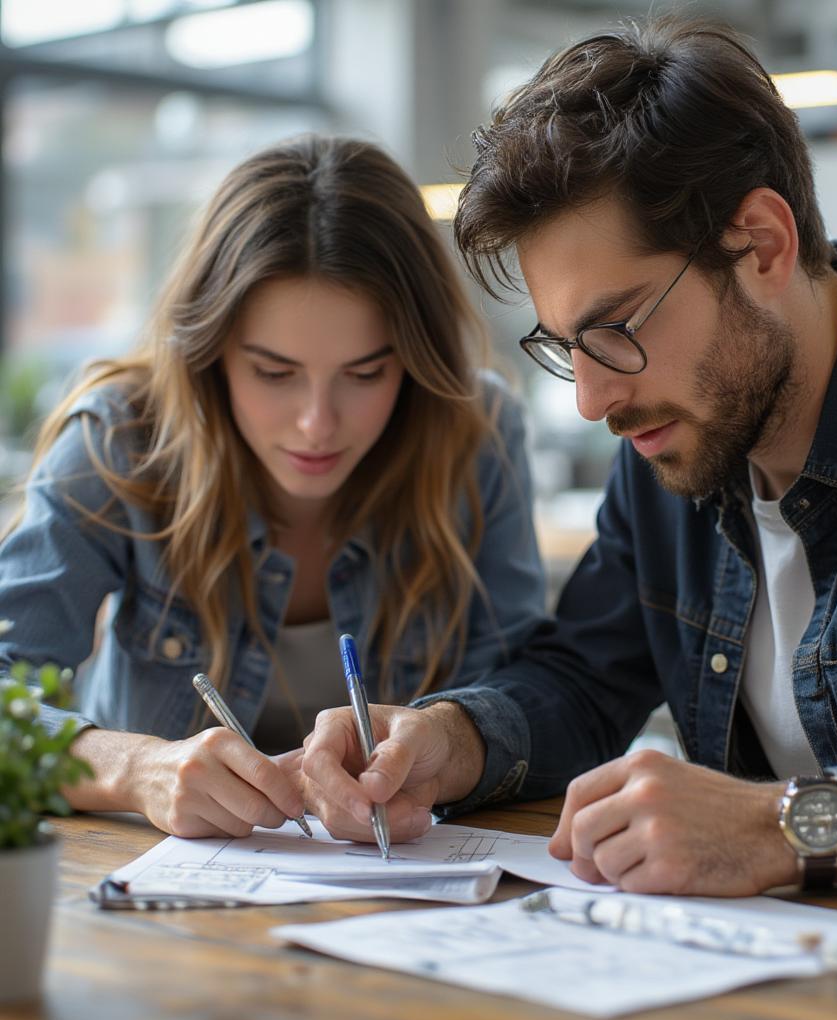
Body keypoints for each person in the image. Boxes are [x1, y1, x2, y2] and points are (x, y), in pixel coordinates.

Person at [297, 18, 837, 897]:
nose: (592, 401)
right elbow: (585, 679)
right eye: (568, 345)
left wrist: (777, 826)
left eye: (617, 329)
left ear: (760, 244)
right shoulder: (679, 445)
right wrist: (449, 739)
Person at [0, 135, 546, 840]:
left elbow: (528, 694)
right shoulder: (123, 436)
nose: (318, 424)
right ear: (212, 354)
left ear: (414, 363)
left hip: (405, 892)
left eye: (366, 373)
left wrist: (453, 746)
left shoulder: (477, 432)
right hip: (147, 902)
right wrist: (135, 769)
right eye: (273, 372)